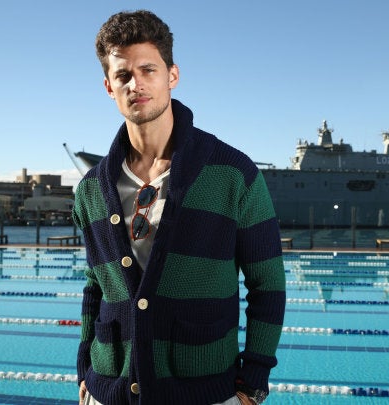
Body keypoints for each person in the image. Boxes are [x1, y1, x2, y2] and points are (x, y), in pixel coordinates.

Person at [73, 10, 286, 405]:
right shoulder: (90, 190)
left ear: (172, 75)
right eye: (122, 75)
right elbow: (94, 285)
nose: (135, 83)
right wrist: (85, 369)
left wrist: (252, 383)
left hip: (205, 393)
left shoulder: (232, 173)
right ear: (108, 86)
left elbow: (268, 284)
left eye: (148, 70)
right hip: (107, 393)